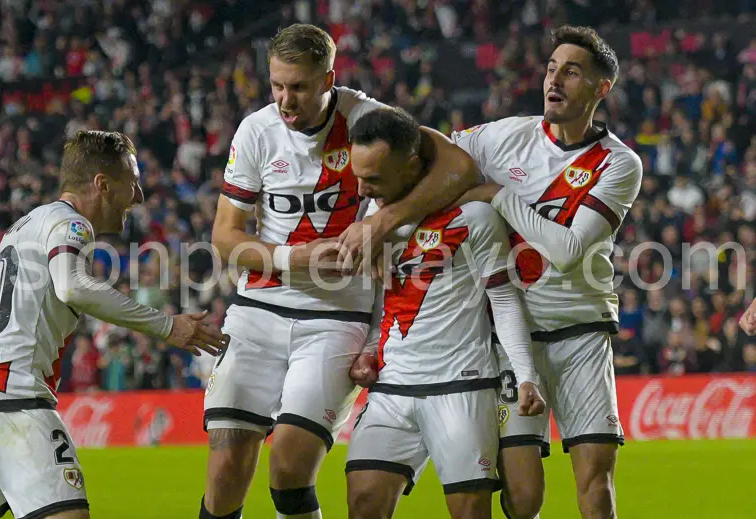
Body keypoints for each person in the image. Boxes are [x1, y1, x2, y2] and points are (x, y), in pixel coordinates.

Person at [338, 26, 642, 519]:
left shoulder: (619, 163)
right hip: (507, 335)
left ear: (601, 88)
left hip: (580, 330)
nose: (555, 79)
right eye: (550, 68)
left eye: (572, 71)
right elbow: (421, 148)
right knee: (522, 498)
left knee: (595, 478)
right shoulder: (503, 137)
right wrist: (384, 218)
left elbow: (566, 250)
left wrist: (495, 196)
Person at [0, 130, 228, 519]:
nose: (139, 196)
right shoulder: (71, 225)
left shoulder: (14, 233)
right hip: (19, 398)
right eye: (133, 183)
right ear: (103, 185)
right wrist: (166, 326)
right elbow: (72, 286)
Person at [202, 23, 389, 519]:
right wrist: (291, 258)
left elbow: (436, 168)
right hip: (257, 311)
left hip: (335, 317)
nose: (285, 99)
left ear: (329, 78)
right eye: (277, 85)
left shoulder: (370, 122)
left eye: (299, 87)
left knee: (288, 462)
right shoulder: (256, 130)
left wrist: (380, 226)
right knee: (224, 474)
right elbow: (225, 236)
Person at [343, 108, 546, 519]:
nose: (363, 191)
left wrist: (525, 375)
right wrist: (368, 350)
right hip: (393, 387)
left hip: (460, 386)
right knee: (363, 502)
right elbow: (385, 300)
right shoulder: (372, 224)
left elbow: (504, 300)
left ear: (412, 165)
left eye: (375, 179)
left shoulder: (474, 217)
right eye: (358, 177)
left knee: (471, 512)